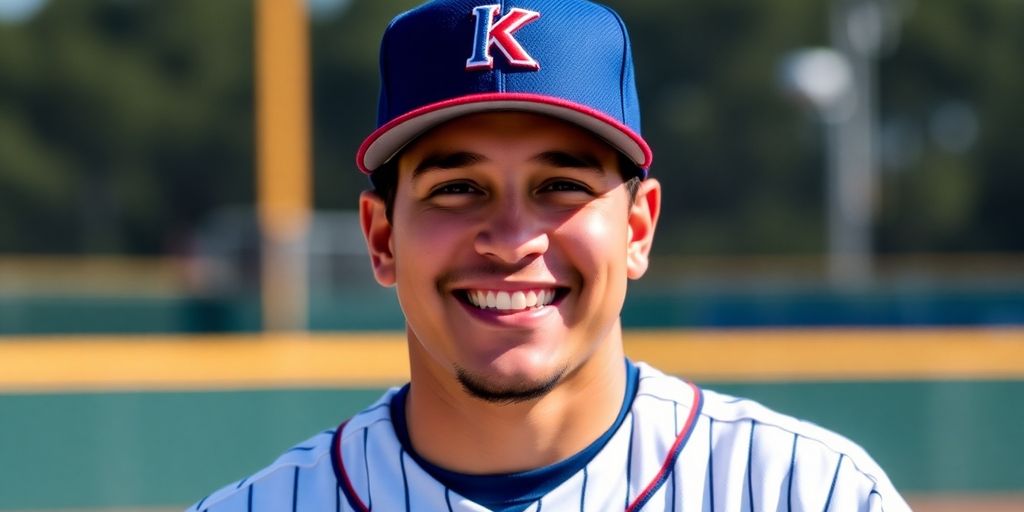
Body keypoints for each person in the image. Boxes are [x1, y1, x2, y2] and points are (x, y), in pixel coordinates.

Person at [189, 1, 910, 510]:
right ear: (381, 237)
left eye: (561, 186)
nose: (511, 238)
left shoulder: (811, 493)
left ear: (637, 228)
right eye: (458, 188)